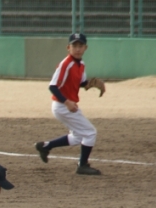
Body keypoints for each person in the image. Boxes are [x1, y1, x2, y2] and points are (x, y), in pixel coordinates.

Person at [34, 32, 106, 175]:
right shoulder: (66, 64)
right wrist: (66, 102)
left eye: (80, 46)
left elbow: (81, 83)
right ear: (68, 47)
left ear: (86, 48)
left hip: (67, 106)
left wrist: (91, 84)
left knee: (78, 136)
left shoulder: (81, 64)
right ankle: (82, 165)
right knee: (90, 132)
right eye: (74, 46)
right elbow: (52, 86)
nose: (77, 49)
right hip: (62, 106)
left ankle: (45, 146)